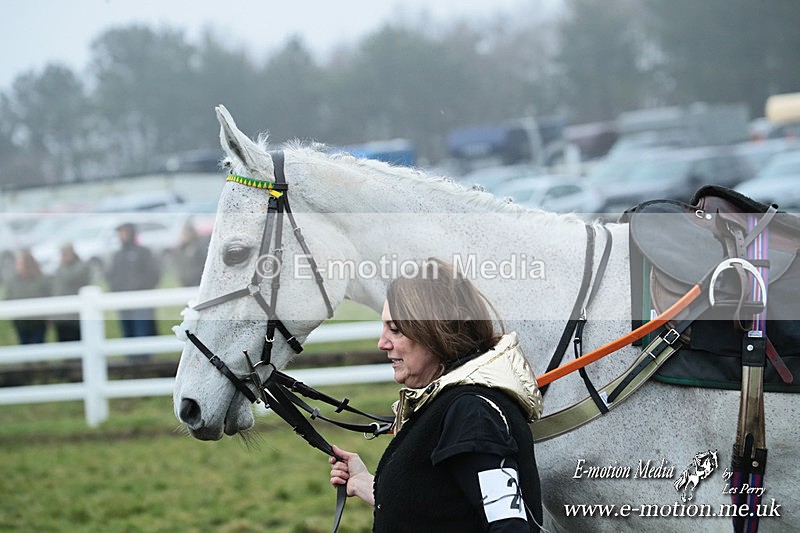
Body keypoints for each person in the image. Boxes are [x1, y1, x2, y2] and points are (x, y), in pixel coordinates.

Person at [329, 258, 544, 532]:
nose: (382, 343)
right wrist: (364, 483)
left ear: (433, 329)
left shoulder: (473, 413)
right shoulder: (447, 403)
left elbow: (509, 527)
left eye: (395, 329)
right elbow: (440, 510)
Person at [107, 223, 161, 353]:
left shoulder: (143, 252)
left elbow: (154, 274)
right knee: (128, 333)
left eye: (123, 232)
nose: (121, 235)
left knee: (142, 332)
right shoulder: (118, 255)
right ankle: (132, 363)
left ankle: (144, 361)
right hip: (123, 301)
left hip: (141, 302)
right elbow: (111, 276)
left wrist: (143, 289)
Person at [5, 249, 50, 344]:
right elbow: (8, 298)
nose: (17, 266)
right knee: (24, 344)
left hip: (38, 321)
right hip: (21, 322)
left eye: (20, 263)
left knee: (39, 344)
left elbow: (47, 297)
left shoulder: (40, 279)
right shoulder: (13, 282)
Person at [50, 243, 90, 341]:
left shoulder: (81, 267)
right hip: (62, 316)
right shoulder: (60, 269)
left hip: (75, 316)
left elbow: (70, 278)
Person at [173, 219, 206, 287]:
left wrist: (193, 277)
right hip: (185, 284)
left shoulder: (197, 248)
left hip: (196, 283)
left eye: (184, 234)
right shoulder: (181, 249)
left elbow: (200, 266)